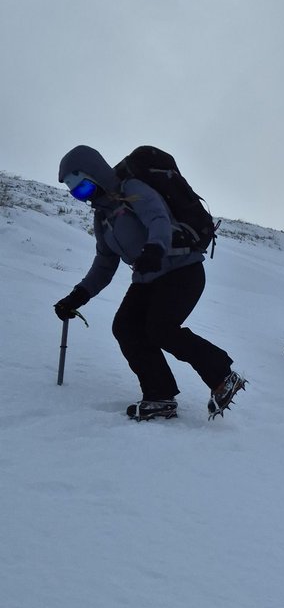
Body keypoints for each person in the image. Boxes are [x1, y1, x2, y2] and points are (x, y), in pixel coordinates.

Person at [54, 145, 245, 421]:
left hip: (182, 269)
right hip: (148, 277)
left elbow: (157, 217)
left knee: (160, 328)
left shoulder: (130, 189)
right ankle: (159, 395)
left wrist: (155, 248)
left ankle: (222, 376)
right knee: (125, 327)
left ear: (94, 174)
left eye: (83, 187)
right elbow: (104, 264)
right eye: (75, 193)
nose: (83, 196)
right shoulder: (102, 217)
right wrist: (78, 295)